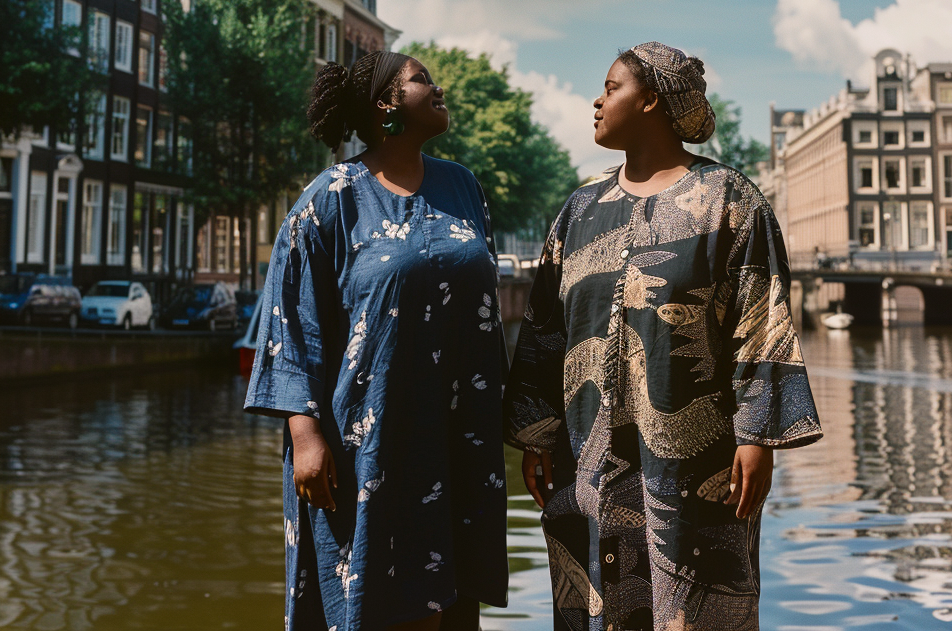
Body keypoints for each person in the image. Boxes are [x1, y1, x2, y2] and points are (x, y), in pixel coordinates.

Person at [503, 42, 822, 630]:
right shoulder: (579, 210)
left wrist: (757, 436)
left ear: (650, 100)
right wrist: (537, 433)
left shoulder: (732, 200)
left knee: (697, 606)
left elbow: (761, 320)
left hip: (699, 466)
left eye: (612, 87)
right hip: (588, 462)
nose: (597, 101)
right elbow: (546, 328)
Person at [245, 51, 508, 631]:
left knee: (448, 605)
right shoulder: (331, 196)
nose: (437, 88)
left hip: (455, 434)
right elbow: (290, 321)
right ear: (386, 104)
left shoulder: (462, 186)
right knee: (376, 603)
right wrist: (305, 433)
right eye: (421, 80)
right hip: (368, 440)